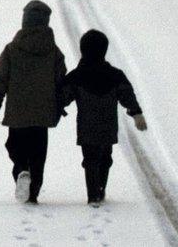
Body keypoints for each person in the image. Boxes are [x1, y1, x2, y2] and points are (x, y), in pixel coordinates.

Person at [0, 0, 66, 204]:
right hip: (43, 113)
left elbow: (0, 80)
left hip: (17, 113)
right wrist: (60, 106)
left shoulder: (12, 49)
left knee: (15, 146)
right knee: (38, 153)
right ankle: (34, 192)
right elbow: (61, 82)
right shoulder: (54, 51)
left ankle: (21, 170)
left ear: (25, 21)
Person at [61, 29, 147, 207]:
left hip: (86, 127)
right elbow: (126, 95)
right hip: (108, 126)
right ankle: (101, 188)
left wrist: (53, 111)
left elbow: (63, 97)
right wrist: (136, 112)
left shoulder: (77, 76)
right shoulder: (115, 75)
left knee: (90, 159)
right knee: (105, 158)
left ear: (83, 49)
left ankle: (93, 195)